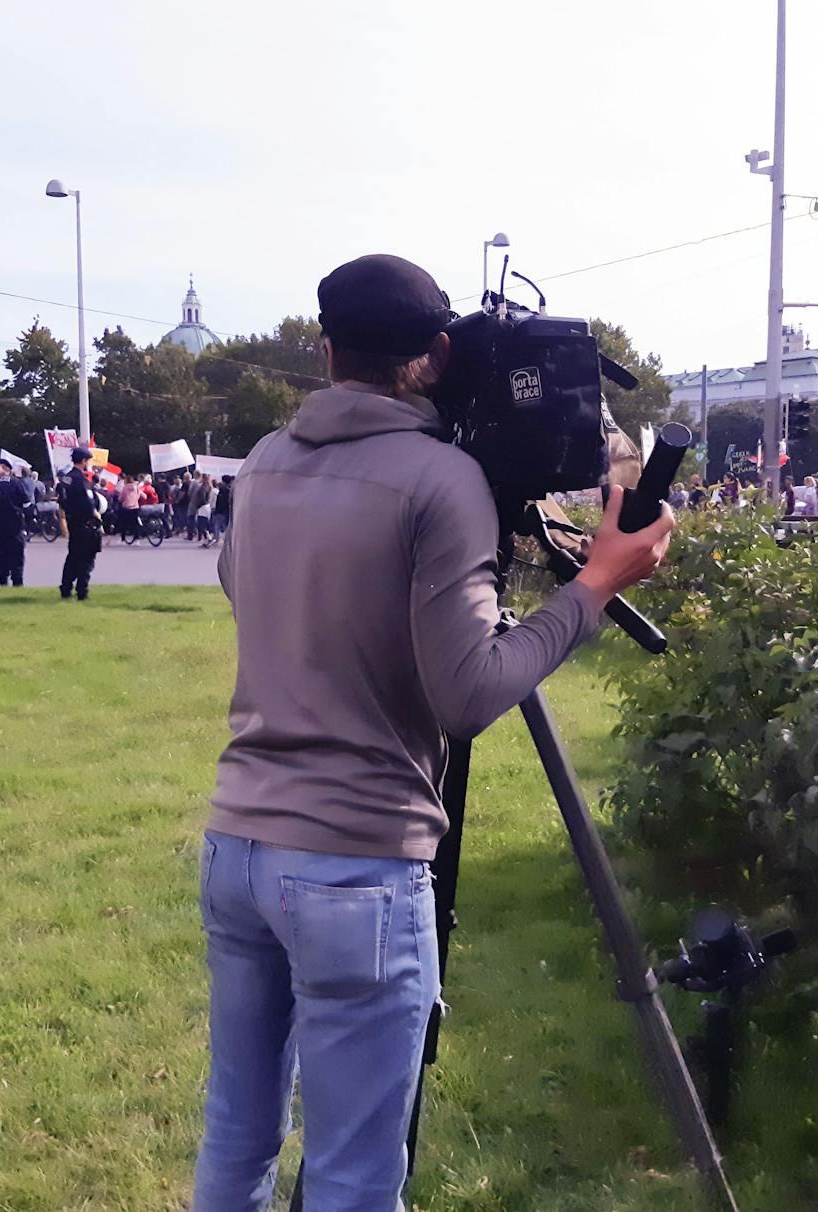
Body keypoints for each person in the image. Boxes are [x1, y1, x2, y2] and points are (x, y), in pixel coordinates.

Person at [192, 254, 675, 1212]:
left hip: (237, 846)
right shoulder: (441, 479)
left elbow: (238, 587)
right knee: (356, 1176)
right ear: (440, 354)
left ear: (326, 350)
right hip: (357, 867)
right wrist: (593, 589)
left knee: (239, 1132)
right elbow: (467, 693)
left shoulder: (264, 463)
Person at [59, 447, 101, 600]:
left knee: (73, 557)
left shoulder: (66, 478)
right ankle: (82, 591)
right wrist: (98, 519)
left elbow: (62, 500)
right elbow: (89, 503)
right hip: (85, 524)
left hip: (73, 522)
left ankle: (65, 589)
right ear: (83, 461)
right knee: (87, 559)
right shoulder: (81, 480)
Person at [0, 458, 26, 587]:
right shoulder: (14, 482)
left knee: (1, 553)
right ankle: (17, 581)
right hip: (14, 525)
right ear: (8, 470)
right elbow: (26, 502)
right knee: (16, 553)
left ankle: (3, 580)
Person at [212, 474, 233, 542]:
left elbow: (221, 501)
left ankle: (217, 538)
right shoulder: (229, 490)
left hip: (221, 511)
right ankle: (226, 539)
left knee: (218, 525)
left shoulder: (223, 490)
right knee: (224, 525)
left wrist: (217, 509)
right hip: (226, 511)